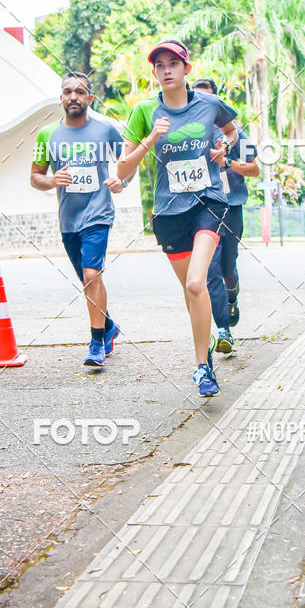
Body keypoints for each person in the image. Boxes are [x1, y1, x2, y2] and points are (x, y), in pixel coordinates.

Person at [118, 41, 238, 396]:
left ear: (187, 68)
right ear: (154, 73)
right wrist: (150, 138)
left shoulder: (209, 104)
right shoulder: (143, 111)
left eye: (174, 63)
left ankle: (202, 368)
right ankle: (206, 351)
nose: (166, 70)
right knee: (191, 293)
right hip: (169, 213)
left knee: (196, 284)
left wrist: (224, 148)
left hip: (209, 203)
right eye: (159, 66)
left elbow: (230, 129)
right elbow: (123, 168)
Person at [30, 72, 129, 367]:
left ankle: (96, 343)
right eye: (68, 91)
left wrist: (121, 181)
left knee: (91, 276)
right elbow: (35, 176)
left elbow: (128, 161)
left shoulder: (105, 131)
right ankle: (109, 326)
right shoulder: (46, 135)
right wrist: (51, 181)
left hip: (98, 213)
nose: (74, 96)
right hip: (69, 221)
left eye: (80, 91)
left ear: (89, 98)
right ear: (61, 97)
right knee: (88, 282)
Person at [192, 78, 259, 354]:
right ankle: (223, 330)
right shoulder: (191, 133)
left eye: (208, 100)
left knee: (227, 269)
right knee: (208, 270)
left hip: (231, 207)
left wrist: (226, 162)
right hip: (204, 207)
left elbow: (254, 170)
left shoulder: (237, 135)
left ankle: (232, 295)